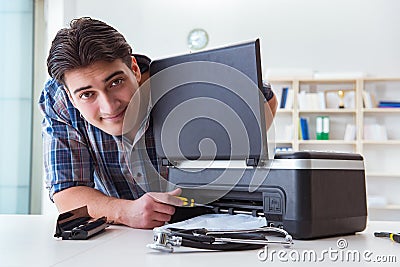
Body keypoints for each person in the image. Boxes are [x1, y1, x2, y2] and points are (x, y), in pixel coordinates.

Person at [40, 17, 277, 229]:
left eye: (115, 82)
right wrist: (126, 211)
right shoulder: (59, 101)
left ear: (134, 68)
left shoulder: (179, 81)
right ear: (70, 97)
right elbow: (67, 193)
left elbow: (265, 97)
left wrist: (233, 147)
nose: (109, 107)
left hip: (208, 228)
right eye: (87, 95)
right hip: (124, 237)